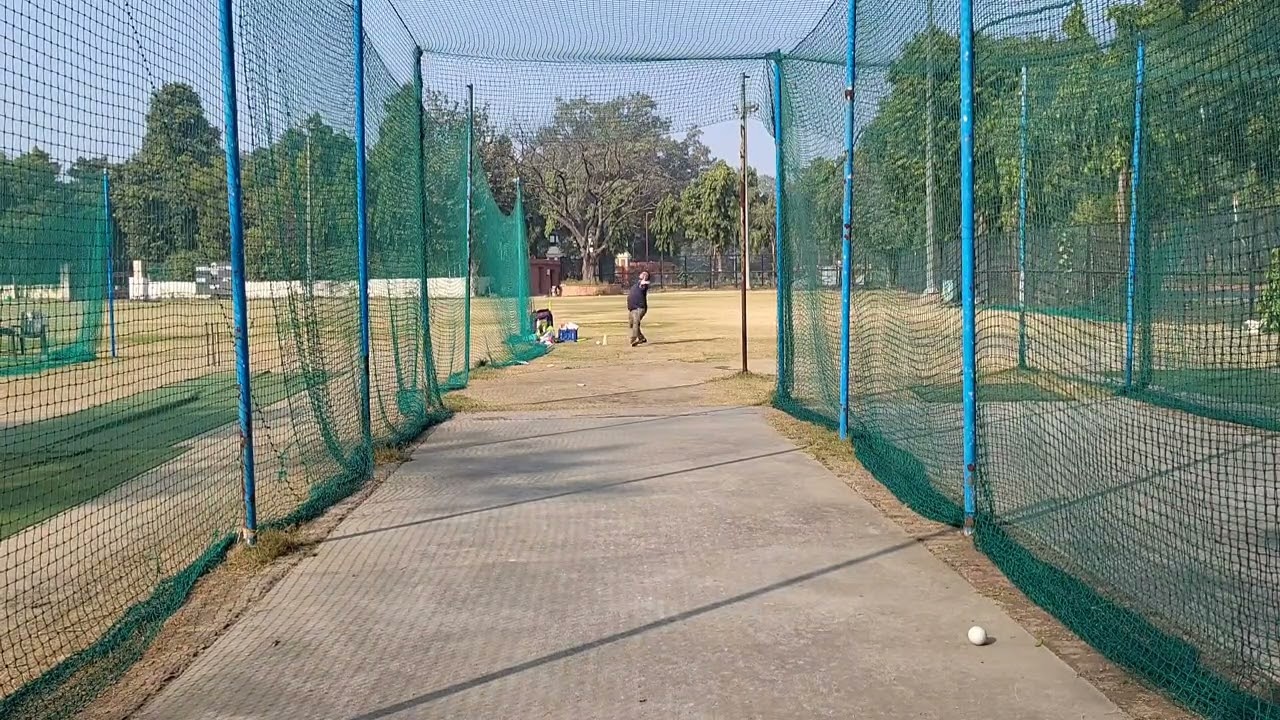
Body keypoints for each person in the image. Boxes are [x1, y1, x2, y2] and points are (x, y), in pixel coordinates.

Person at [627, 271, 650, 347]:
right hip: (632, 308)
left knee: (635, 323)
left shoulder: (644, 285)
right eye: (642, 273)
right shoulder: (637, 284)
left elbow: (644, 284)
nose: (642, 274)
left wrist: (644, 279)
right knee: (631, 324)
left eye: (645, 274)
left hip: (639, 308)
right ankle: (641, 338)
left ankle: (633, 339)